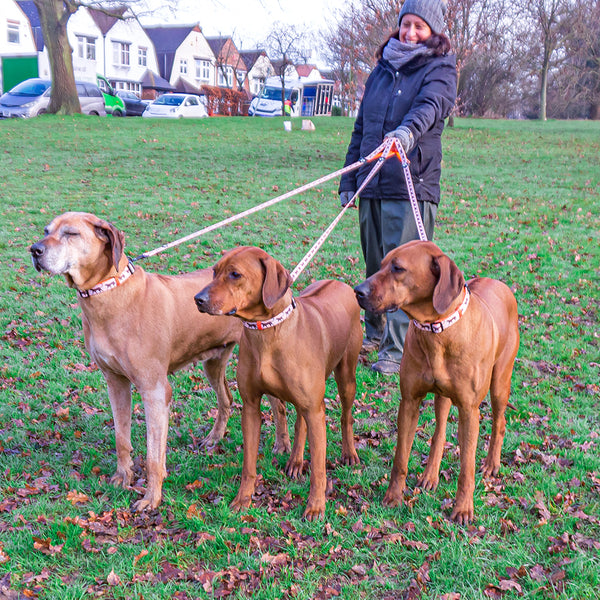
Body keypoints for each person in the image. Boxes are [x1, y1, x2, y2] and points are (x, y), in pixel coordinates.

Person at [339, 0, 457, 375]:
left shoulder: (440, 68)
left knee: (404, 273)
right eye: (406, 24)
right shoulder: (382, 69)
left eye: (419, 27)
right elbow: (362, 127)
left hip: (410, 185)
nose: (409, 33)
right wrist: (348, 177)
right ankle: (374, 333)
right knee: (377, 266)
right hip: (371, 182)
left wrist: (406, 133)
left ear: (433, 32)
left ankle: (397, 349)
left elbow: (432, 106)